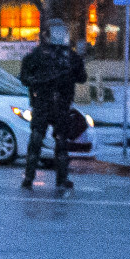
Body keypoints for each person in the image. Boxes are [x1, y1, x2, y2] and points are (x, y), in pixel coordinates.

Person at [18, 20, 87, 192]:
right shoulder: (66, 56)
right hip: (53, 102)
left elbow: (80, 77)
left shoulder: (41, 55)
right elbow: (25, 78)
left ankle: (33, 178)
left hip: (50, 102)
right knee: (51, 140)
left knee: (44, 140)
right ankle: (52, 179)